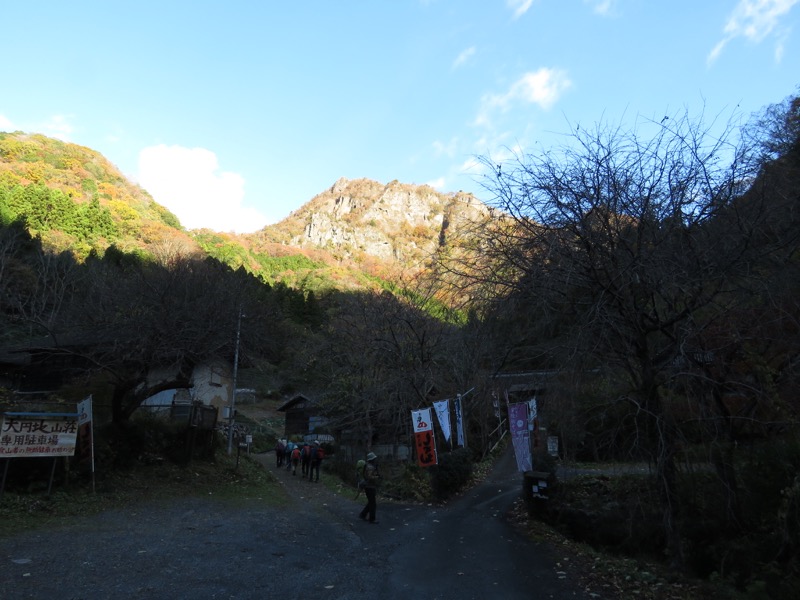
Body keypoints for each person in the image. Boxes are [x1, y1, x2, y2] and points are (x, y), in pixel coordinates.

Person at [358, 452, 380, 524]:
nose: (375, 460)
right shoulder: (370, 467)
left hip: (369, 486)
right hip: (370, 487)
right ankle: (372, 519)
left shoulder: (368, 466)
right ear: (372, 459)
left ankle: (363, 514)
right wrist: (377, 477)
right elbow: (369, 477)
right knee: (373, 503)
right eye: (374, 459)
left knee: (371, 502)